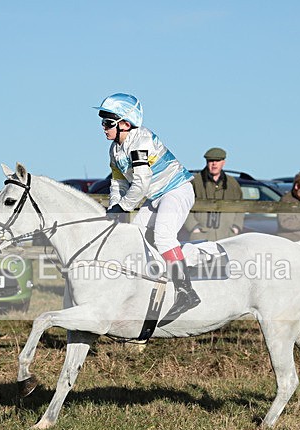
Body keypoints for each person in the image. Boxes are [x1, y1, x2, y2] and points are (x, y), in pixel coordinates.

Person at [95, 93, 201, 320]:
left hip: (176, 190)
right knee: (136, 236)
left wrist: (124, 207)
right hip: (155, 197)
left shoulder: (141, 141)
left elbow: (141, 183)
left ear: (125, 124)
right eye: (102, 122)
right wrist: (114, 206)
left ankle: (186, 292)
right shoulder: (114, 150)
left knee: (163, 236)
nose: (103, 127)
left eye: (108, 122)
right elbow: (118, 183)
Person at [184, 147, 244, 241]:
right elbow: (184, 205)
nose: (214, 163)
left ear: (223, 162)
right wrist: (193, 227)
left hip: (227, 237)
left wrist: (236, 227)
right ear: (206, 162)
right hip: (200, 237)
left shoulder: (232, 183)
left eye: (217, 160)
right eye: (211, 160)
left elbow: (241, 207)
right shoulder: (195, 182)